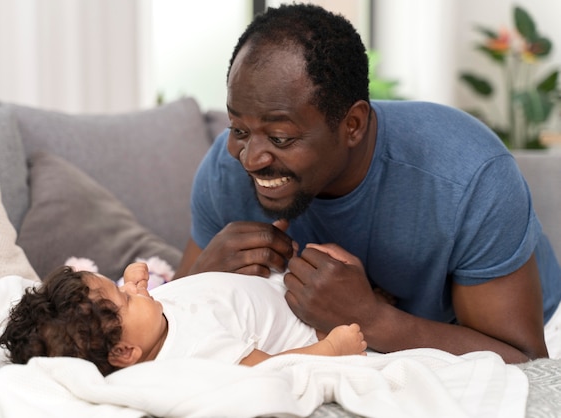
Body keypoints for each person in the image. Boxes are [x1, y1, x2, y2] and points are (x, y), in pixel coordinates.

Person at [175, 3, 561, 363]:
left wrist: (369, 318)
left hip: (520, 335)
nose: (250, 157)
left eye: (280, 138)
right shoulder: (225, 172)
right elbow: (160, 324)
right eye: (238, 128)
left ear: (353, 125)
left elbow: (523, 359)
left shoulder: (467, 175)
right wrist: (199, 278)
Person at [0, 262, 367, 376]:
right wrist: (332, 348)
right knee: (346, 269)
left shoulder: (143, 327)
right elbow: (270, 368)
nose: (133, 290)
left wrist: (132, 285)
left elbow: (129, 306)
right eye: (124, 297)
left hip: (275, 283)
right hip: (305, 315)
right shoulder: (199, 350)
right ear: (126, 352)